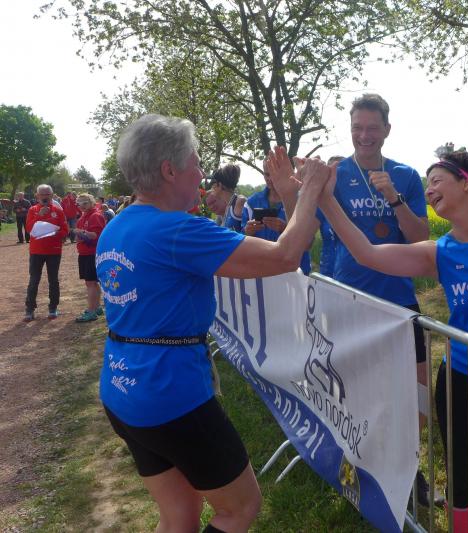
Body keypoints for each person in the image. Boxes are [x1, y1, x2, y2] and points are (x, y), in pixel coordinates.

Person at [95, 113, 331, 533]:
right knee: (239, 508)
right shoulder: (177, 230)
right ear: (169, 170)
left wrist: (287, 194)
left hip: (121, 386)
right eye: (196, 162)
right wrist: (309, 187)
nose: (203, 174)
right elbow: (285, 256)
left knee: (178, 516)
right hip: (172, 394)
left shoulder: (117, 225)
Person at [321, 152, 468, 531]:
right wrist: (324, 198)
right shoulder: (438, 252)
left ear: (466, 182)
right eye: (427, 185)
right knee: (462, 482)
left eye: (436, 181)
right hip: (461, 381)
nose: (429, 191)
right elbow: (366, 254)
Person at [326, 93, 433, 504]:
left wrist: (393, 197)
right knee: (357, 387)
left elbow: (420, 236)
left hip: (399, 298)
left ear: (387, 129)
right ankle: (359, 463)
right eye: (357, 127)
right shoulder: (335, 175)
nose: (364, 135)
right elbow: (303, 220)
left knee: (417, 390)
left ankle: (407, 464)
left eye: (372, 127)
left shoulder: (405, 175)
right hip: (350, 298)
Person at [241, 160, 312, 274]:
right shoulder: (251, 202)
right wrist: (247, 231)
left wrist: (285, 228)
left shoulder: (301, 199)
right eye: (266, 174)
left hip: (295, 270)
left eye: (273, 174)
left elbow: (308, 243)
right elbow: (241, 239)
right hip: (262, 268)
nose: (270, 179)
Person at [24, 184, 69, 321]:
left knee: (53, 280)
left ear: (52, 195)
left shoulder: (58, 211)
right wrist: (39, 216)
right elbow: (29, 229)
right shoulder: (32, 210)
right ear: (37, 196)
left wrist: (54, 233)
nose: (45, 197)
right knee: (34, 280)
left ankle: (53, 307)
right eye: (42, 194)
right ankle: (30, 309)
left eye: (48, 194)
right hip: (36, 251)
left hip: (54, 251)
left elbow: (65, 230)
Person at [74, 193, 107, 322]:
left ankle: (92, 311)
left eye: (85, 203)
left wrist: (81, 232)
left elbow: (97, 235)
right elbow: (81, 236)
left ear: (92, 203)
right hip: (84, 253)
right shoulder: (83, 217)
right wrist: (79, 235)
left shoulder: (95, 216)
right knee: (92, 282)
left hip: (92, 253)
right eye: (79, 203)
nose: (82, 206)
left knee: (90, 283)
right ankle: (97, 307)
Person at [318, 155, 345, 277]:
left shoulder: (356, 203)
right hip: (328, 272)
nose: (335, 176)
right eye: (331, 172)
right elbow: (305, 242)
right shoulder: (321, 202)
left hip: (351, 273)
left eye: (340, 171)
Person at [208, 163, 247, 232]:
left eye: (213, 183)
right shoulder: (229, 205)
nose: (212, 187)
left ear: (220, 185)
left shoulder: (239, 202)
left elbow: (250, 232)